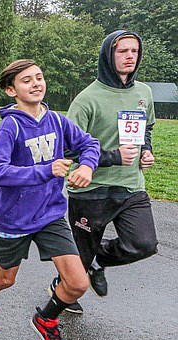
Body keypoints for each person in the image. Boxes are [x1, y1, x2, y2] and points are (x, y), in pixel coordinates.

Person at [0, 59, 99, 340]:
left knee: (78, 283)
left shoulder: (57, 120)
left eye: (39, 77)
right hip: (13, 217)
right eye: (27, 80)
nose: (36, 83)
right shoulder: (9, 126)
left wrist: (88, 166)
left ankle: (47, 319)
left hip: (50, 214)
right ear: (11, 90)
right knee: (5, 279)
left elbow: (89, 143)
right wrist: (45, 171)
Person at [48, 31, 159, 314]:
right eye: (122, 51)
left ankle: (98, 259)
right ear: (109, 55)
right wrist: (112, 157)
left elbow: (145, 128)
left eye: (134, 51)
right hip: (91, 189)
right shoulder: (88, 99)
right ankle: (58, 299)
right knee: (77, 268)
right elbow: (68, 149)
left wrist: (146, 150)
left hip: (131, 186)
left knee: (143, 244)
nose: (130, 56)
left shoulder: (144, 93)